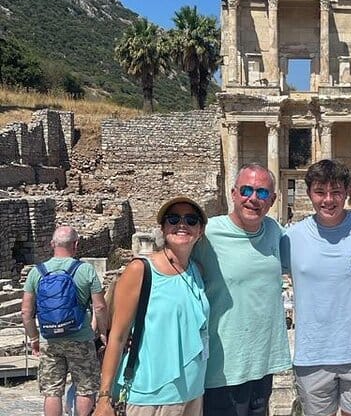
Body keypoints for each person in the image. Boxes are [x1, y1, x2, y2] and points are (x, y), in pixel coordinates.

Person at [282, 159, 351, 416]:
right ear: (309, 193)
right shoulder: (291, 237)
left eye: (336, 192)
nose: (328, 200)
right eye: (320, 192)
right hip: (313, 356)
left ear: (347, 192)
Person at [94, 197, 209, 416]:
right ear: (162, 228)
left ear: (200, 230)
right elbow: (118, 337)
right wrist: (104, 397)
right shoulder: (140, 270)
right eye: (173, 219)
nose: (182, 225)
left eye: (191, 220)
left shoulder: (196, 271)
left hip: (193, 392)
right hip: (150, 395)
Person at [193, 163, 291, 416]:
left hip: (263, 365)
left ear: (273, 200)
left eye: (262, 192)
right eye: (246, 190)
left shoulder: (275, 231)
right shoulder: (207, 233)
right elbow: (167, 267)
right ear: (233, 193)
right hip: (222, 369)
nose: (253, 198)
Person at [21, 226, 108, 416]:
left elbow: (26, 311)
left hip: (49, 339)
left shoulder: (36, 272)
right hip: (80, 337)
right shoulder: (85, 270)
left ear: (52, 244)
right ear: (76, 244)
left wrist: (34, 338)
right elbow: (100, 307)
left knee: (52, 391)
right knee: (85, 387)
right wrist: (102, 332)